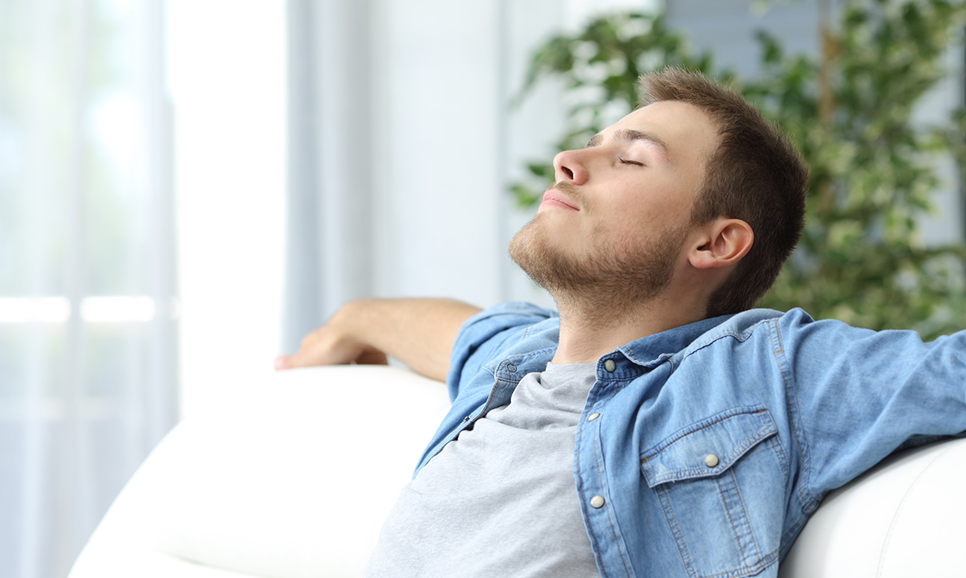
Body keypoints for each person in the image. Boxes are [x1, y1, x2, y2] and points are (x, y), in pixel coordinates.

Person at [273, 68, 966, 578]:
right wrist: (351, 321)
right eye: (592, 145)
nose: (568, 163)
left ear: (715, 244)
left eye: (630, 159)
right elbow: (454, 329)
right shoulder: (518, 362)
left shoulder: (760, 370)